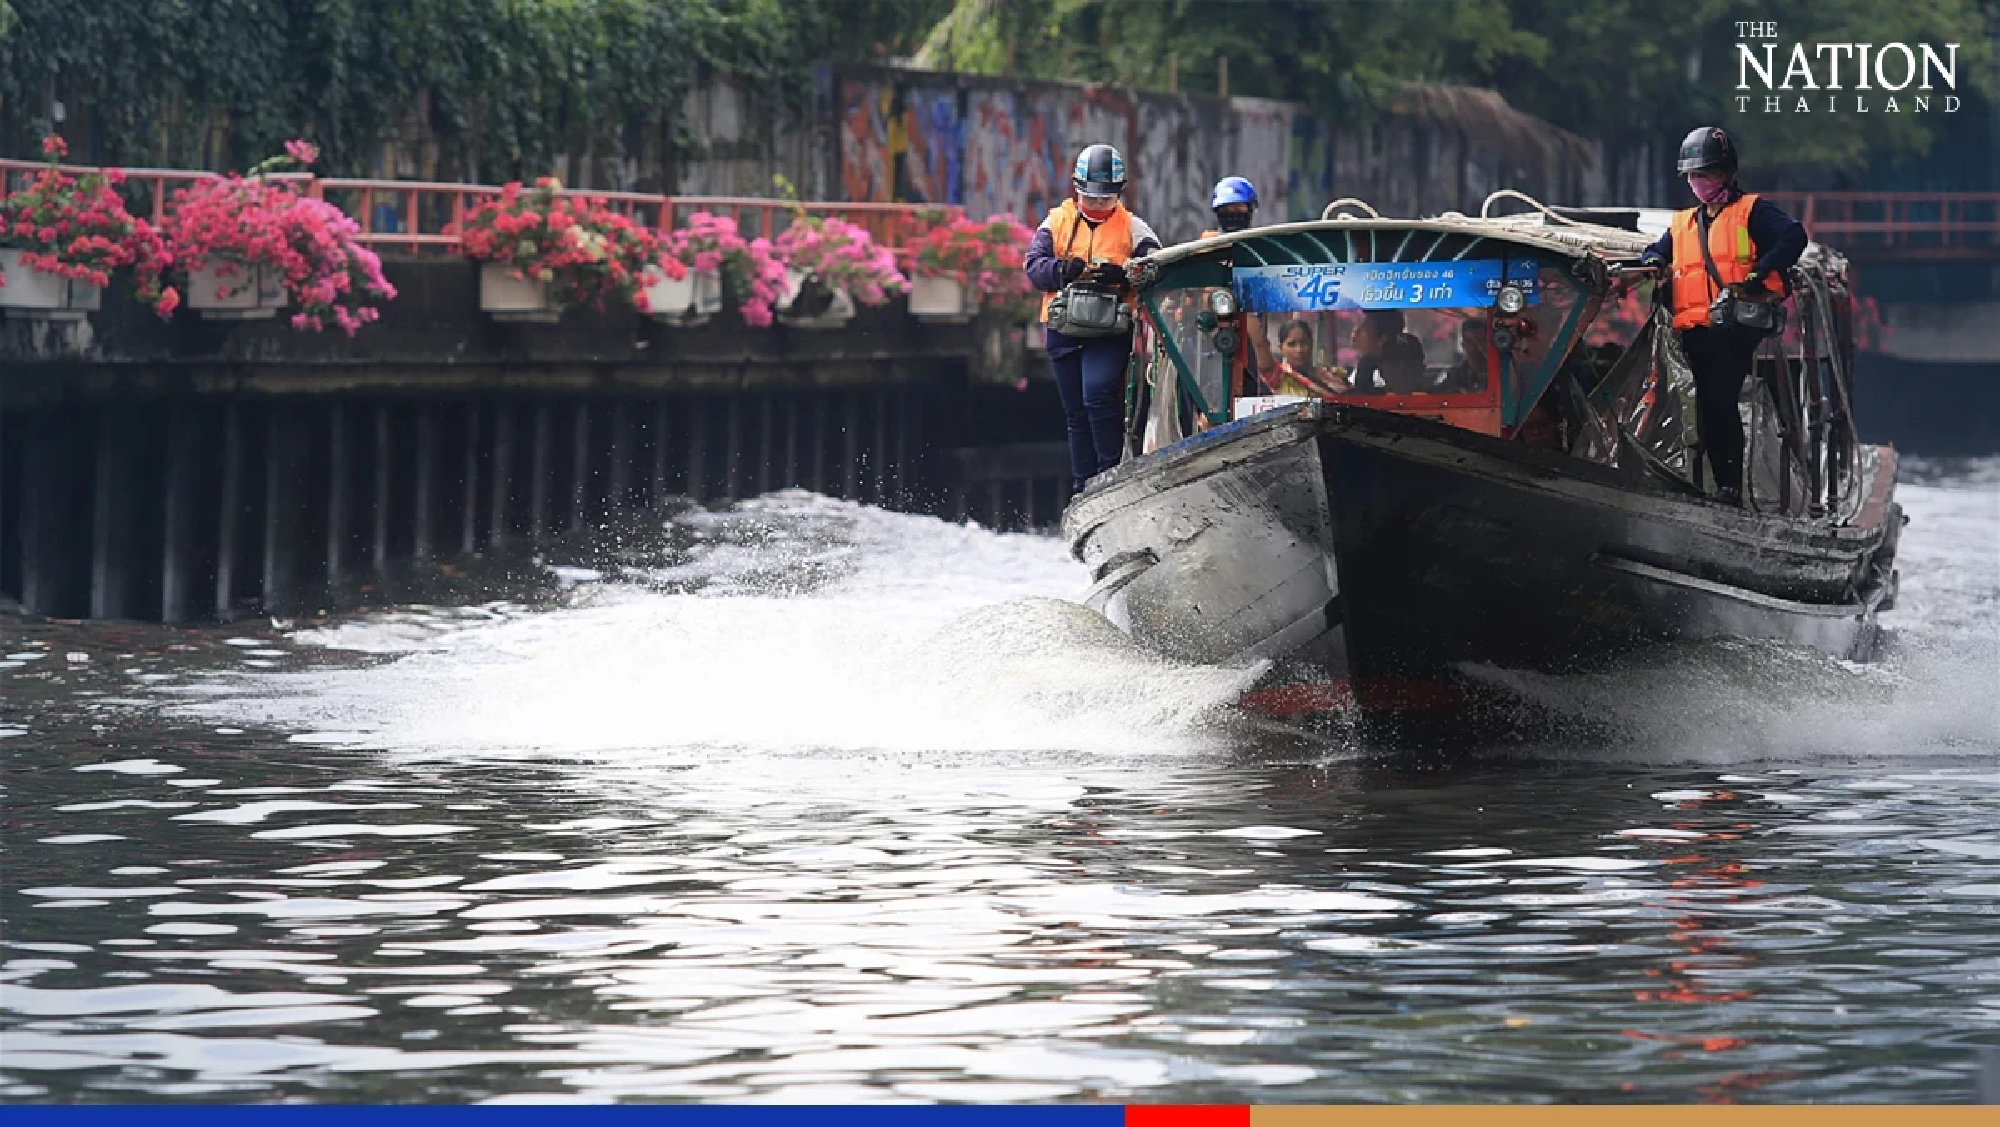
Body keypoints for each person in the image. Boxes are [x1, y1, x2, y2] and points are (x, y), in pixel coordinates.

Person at [1637, 125, 1806, 505]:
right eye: (1694, 176)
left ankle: (1729, 487)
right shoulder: (1684, 223)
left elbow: (1794, 236)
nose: (1699, 182)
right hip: (1697, 329)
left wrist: (1763, 269)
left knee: (1721, 400)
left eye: (1707, 174)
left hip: (1735, 326)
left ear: (1727, 173)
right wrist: (1651, 260)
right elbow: (1658, 250)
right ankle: (1721, 484)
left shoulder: (1753, 210)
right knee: (1706, 407)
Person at [1024, 143, 1163, 493]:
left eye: (1105, 199)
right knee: (1075, 412)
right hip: (1064, 330)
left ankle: (1109, 474)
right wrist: (1062, 271)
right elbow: (1033, 268)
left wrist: (1123, 276)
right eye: (1091, 198)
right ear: (1076, 189)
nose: (1098, 205)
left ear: (1118, 192)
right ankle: (1082, 485)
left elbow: (1157, 269)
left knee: (1098, 395)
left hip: (1110, 332)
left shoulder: (1134, 227)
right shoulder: (1054, 223)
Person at [1252, 320, 1350, 397]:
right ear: (1281, 348)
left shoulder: (1333, 375)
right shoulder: (1278, 376)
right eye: (1291, 344)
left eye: (1304, 343)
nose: (1299, 350)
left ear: (1311, 344)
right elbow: (1259, 344)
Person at [1346, 309, 1427, 394]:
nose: (1356, 330)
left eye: (1364, 327)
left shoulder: (1383, 377)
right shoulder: (1364, 366)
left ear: (1382, 339)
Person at [1438, 315, 1491, 392]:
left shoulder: (1498, 374)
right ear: (1463, 344)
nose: (1474, 347)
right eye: (1469, 342)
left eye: (1479, 341)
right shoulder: (1455, 376)